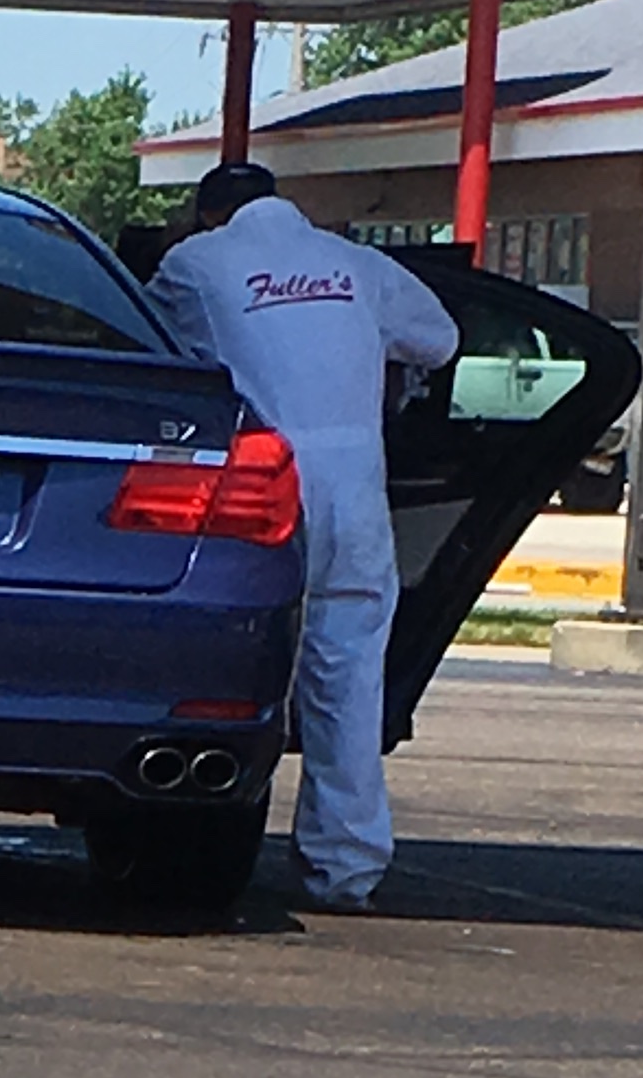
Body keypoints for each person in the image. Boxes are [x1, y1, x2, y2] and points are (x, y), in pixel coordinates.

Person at [148, 159, 460, 914]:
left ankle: (202, 837)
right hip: (355, 491)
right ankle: (345, 868)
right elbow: (440, 339)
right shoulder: (355, 264)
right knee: (348, 678)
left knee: (233, 673)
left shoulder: (194, 263)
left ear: (208, 214)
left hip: (261, 491)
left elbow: (151, 346)